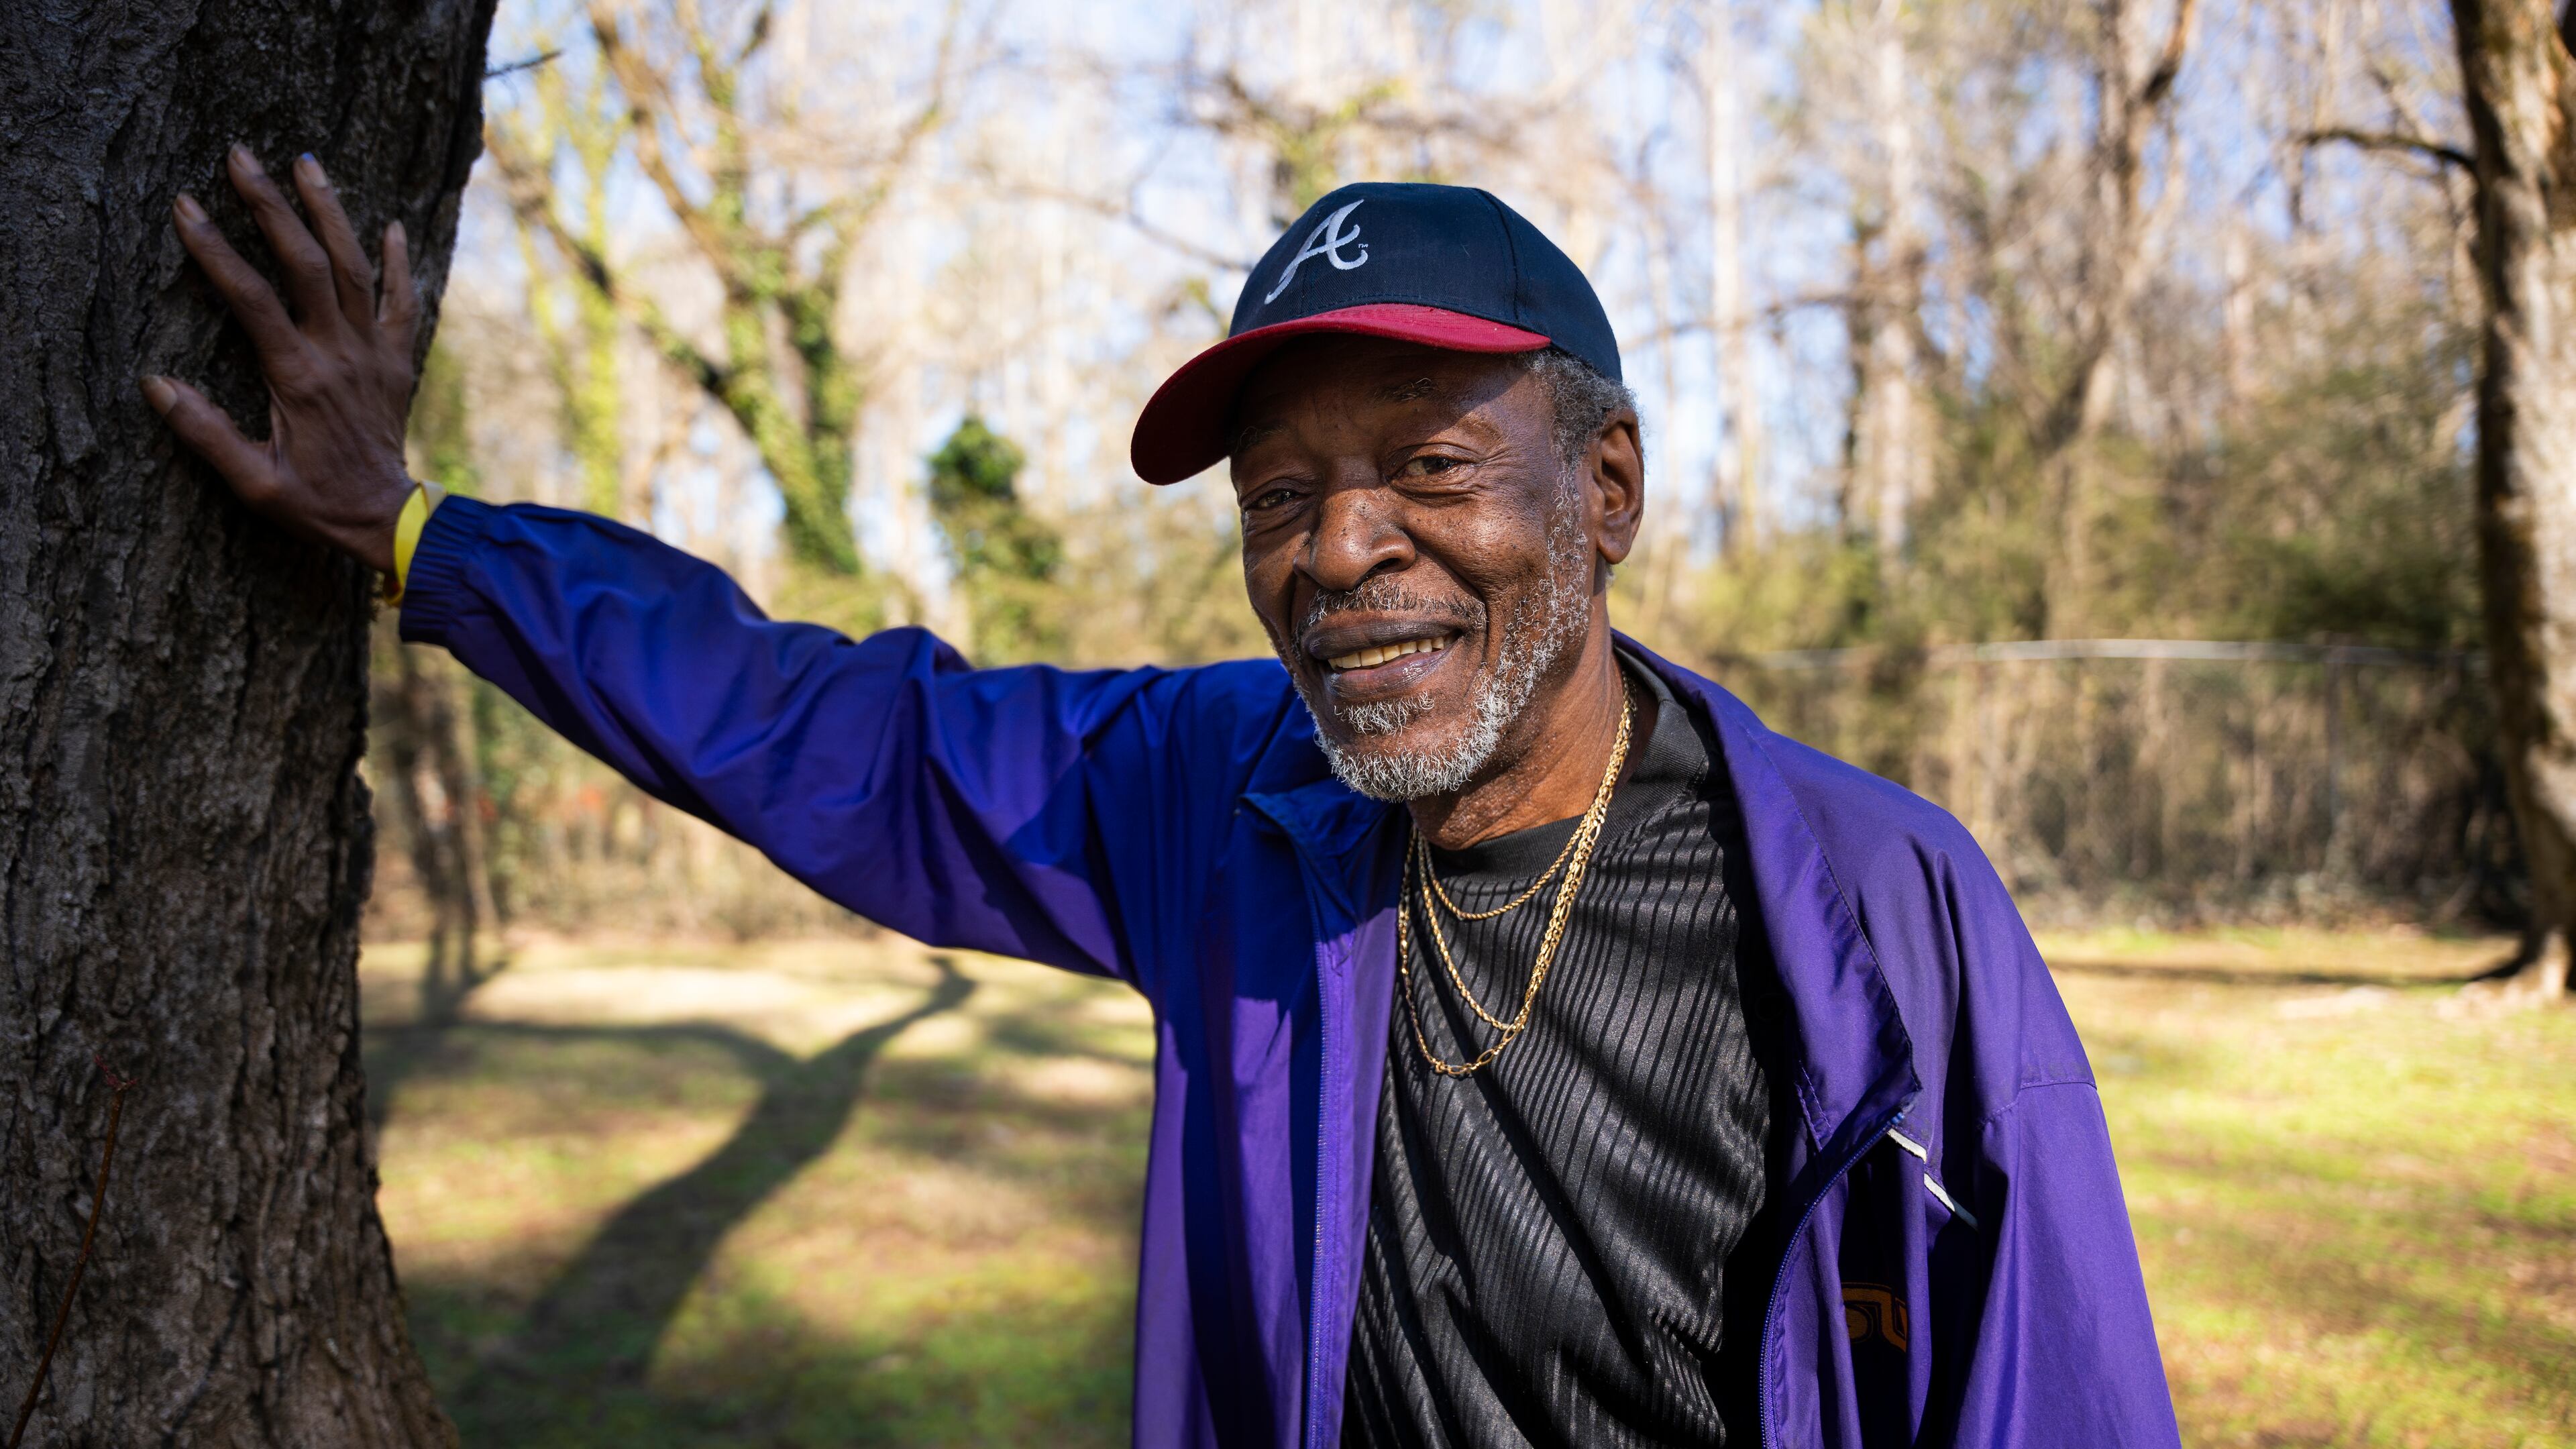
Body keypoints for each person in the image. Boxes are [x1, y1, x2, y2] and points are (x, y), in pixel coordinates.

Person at [145, 146, 2183, 1449]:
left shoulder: (1871, 908)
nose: (1341, 549)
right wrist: (421, 535)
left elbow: (2055, 1386)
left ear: (1608, 493)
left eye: (1432, 468)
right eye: (1280, 497)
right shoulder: (1228, 800)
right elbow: (828, 727)